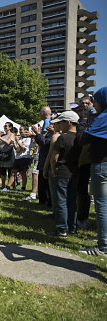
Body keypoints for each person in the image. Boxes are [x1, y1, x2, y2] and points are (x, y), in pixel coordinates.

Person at [79, 87, 107, 256]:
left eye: (95, 100)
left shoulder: (102, 118)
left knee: (102, 205)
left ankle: (103, 247)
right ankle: (103, 237)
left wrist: (84, 120)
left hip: (102, 165)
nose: (93, 104)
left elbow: (82, 139)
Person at [45, 111, 81, 237]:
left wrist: (53, 169)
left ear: (68, 122)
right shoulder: (80, 138)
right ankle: (72, 227)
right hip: (75, 172)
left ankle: (61, 228)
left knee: (61, 201)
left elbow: (55, 157)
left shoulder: (63, 138)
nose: (60, 126)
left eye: (61, 123)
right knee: (72, 201)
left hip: (62, 172)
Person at [74, 97, 94, 229]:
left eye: (88, 103)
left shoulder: (95, 121)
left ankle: (83, 218)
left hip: (91, 160)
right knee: (80, 189)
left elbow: (82, 140)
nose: (85, 106)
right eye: (82, 104)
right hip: (80, 160)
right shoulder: (80, 122)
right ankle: (80, 216)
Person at [32, 106, 53, 206]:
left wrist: (36, 134)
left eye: (40, 112)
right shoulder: (46, 122)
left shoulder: (47, 122)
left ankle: (45, 200)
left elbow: (44, 140)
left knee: (43, 178)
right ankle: (44, 200)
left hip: (46, 155)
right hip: (44, 154)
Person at [1, 125, 32, 192]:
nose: (19, 131)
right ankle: (8, 187)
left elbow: (24, 148)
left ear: (25, 130)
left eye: (21, 129)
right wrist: (14, 143)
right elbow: (17, 149)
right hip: (18, 157)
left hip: (25, 157)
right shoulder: (20, 138)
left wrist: (17, 141)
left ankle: (23, 188)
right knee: (13, 172)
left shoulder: (28, 139)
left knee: (23, 173)